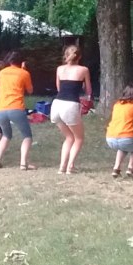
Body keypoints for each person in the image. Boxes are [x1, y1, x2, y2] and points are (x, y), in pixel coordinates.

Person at [51, 45, 92, 174]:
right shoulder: (84, 70)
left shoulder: (59, 69)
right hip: (70, 105)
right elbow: (88, 90)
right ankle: (70, 166)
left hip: (56, 104)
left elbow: (59, 88)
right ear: (79, 57)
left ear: (66, 55)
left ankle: (61, 167)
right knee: (79, 138)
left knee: (69, 137)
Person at [0, 51, 35, 170]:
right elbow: (30, 90)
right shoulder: (24, 73)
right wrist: (24, 70)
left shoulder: (2, 72)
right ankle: (23, 163)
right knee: (27, 136)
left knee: (6, 135)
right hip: (16, 108)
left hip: (0, 109)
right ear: (21, 62)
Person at [107, 84, 133, 179]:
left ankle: (116, 169)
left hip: (110, 138)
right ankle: (130, 168)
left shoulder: (117, 105)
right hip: (126, 137)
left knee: (123, 148)